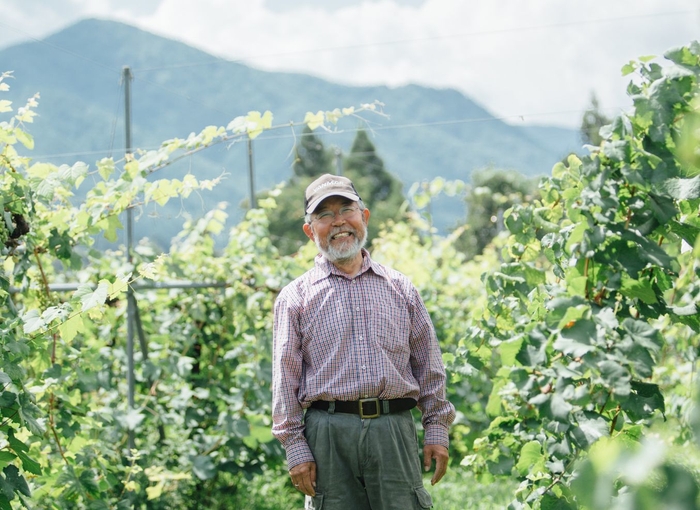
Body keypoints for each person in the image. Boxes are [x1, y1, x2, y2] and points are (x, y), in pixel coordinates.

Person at [272, 173, 455, 510]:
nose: (339, 222)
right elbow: (285, 380)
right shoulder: (295, 297)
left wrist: (436, 428)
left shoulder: (400, 288)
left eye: (346, 209)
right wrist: (295, 448)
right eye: (324, 215)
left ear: (364, 216)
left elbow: (429, 365)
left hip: (393, 431)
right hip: (328, 435)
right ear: (310, 230)